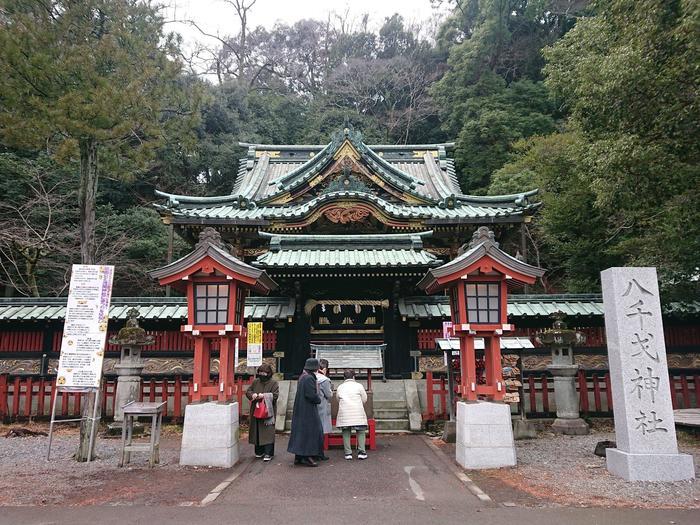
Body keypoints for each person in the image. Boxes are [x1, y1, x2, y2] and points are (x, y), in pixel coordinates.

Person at [287, 357, 324, 467]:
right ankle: (307, 455)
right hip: (307, 410)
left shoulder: (303, 377)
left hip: (301, 409)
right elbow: (311, 395)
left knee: (301, 432)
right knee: (310, 432)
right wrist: (318, 399)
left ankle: (299, 456)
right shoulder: (309, 378)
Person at [245, 363, 279, 462]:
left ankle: (269, 453)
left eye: (264, 373)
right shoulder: (256, 382)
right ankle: (259, 451)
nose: (262, 375)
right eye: (260, 373)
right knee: (257, 430)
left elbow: (275, 395)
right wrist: (253, 395)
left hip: (268, 410)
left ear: (269, 373)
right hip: (256, 409)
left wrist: (263, 396)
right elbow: (248, 391)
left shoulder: (274, 383)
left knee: (268, 431)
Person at [336, 369, 368, 460]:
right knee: (361, 431)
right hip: (357, 412)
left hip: (345, 413)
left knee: (346, 432)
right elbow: (364, 399)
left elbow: (338, 399)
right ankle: (362, 452)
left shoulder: (340, 387)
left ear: (344, 377)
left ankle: (348, 453)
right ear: (354, 377)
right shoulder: (359, 386)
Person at [315, 358, 332, 461]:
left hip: (314, 406)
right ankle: (320, 452)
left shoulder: (312, 377)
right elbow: (328, 394)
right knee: (321, 431)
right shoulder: (324, 380)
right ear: (325, 368)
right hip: (322, 406)